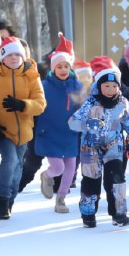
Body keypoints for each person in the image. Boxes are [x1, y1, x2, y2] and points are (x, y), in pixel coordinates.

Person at [0, 37, 46, 219]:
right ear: (2, 57)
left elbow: (40, 104)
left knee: (18, 166)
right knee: (10, 159)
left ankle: (11, 197)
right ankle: (3, 199)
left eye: (17, 54)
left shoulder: (31, 77)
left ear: (23, 57)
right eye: (10, 55)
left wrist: (22, 105)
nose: (14, 58)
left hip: (24, 130)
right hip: (1, 130)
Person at [69, 56, 129, 228]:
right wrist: (88, 124)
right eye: (106, 86)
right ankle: (88, 213)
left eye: (114, 85)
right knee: (91, 179)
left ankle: (119, 214)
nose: (110, 89)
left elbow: (128, 119)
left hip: (113, 144)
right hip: (90, 147)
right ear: (99, 86)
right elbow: (72, 122)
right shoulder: (90, 103)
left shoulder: (122, 102)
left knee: (116, 177)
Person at [35, 34, 83, 213]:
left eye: (66, 66)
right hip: (49, 131)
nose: (63, 69)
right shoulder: (44, 86)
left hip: (69, 132)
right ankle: (47, 175)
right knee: (58, 167)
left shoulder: (77, 86)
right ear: (53, 69)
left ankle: (61, 199)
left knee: (70, 168)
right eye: (59, 66)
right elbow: (35, 104)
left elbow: (83, 106)